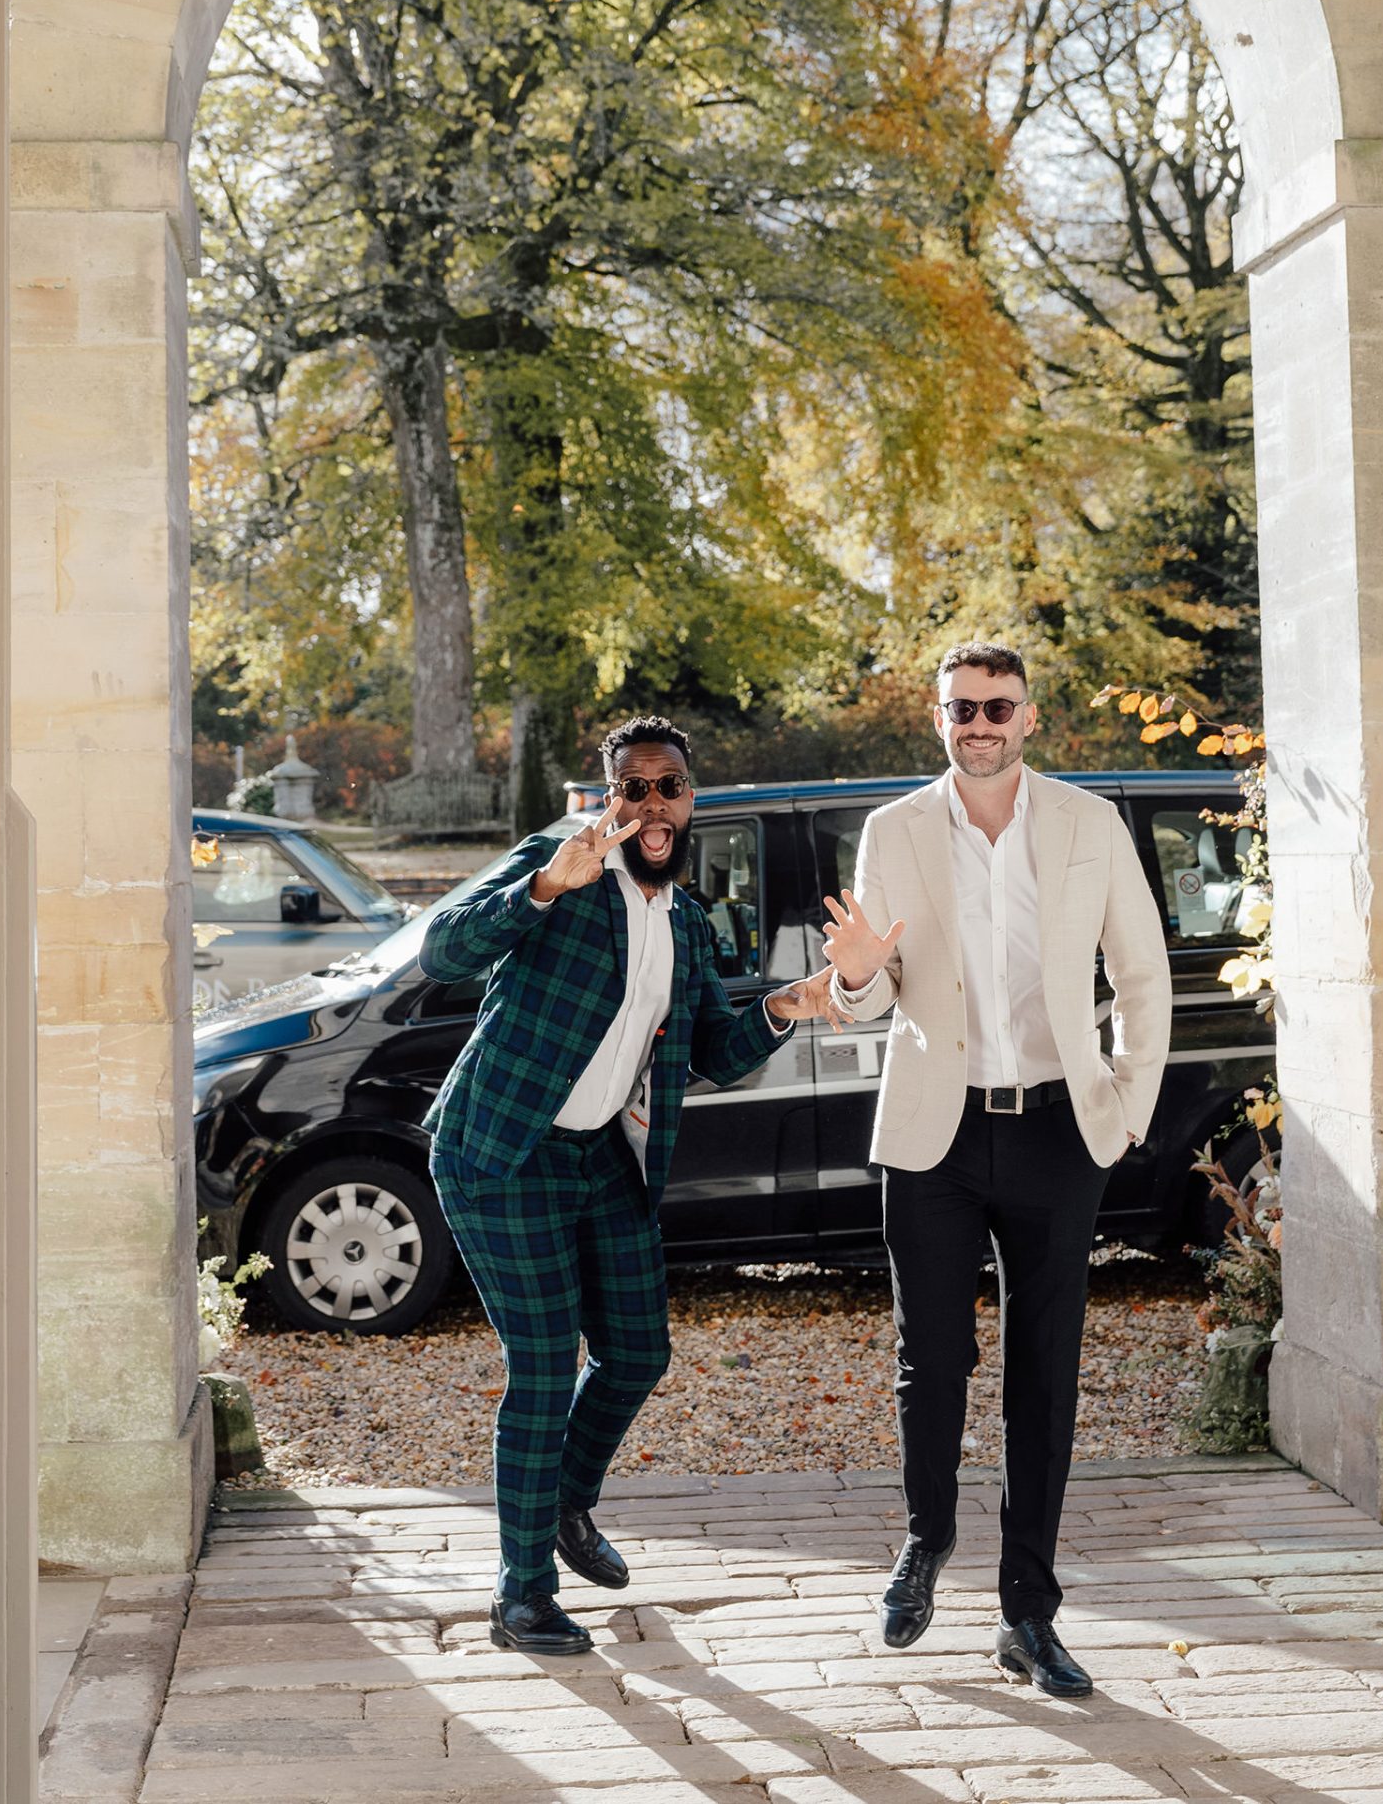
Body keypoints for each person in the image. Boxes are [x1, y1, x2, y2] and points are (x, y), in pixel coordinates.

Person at [421, 713, 841, 1656]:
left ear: (692, 801)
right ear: (610, 795)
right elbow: (440, 953)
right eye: (635, 787)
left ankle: (564, 1503)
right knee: (540, 1367)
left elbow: (717, 1055)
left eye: (672, 788)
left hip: (600, 1154)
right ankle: (521, 1594)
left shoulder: (687, 920)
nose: (654, 805)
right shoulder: (560, 864)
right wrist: (538, 889)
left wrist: (788, 1004)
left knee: (638, 1352)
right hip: (500, 1150)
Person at [823, 642, 1170, 1698]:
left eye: (996, 707)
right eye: (960, 708)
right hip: (933, 1132)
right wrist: (851, 984)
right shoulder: (892, 832)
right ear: (938, 718)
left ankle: (1029, 1612)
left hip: (1060, 1131)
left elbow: (1143, 976)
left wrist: (1120, 1114)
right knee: (932, 1359)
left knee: (1044, 1377)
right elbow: (874, 994)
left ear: (1029, 717)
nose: (978, 723)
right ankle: (927, 1541)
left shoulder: (1086, 824)